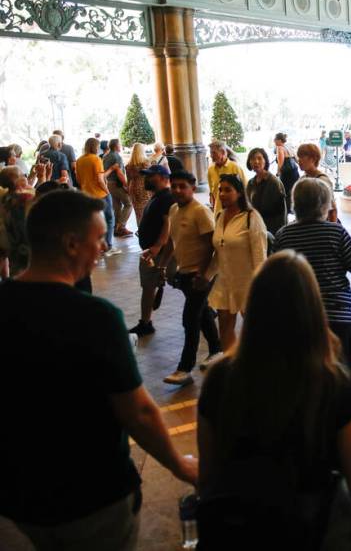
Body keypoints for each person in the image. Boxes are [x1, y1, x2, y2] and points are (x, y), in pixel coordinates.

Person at [0, 190, 197, 550]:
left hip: (20, 496)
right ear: (72, 244)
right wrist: (180, 466)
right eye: (99, 238)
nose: (105, 246)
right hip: (92, 494)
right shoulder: (96, 318)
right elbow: (138, 411)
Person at [195, 251, 351, 551]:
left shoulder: (219, 379)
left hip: (241, 531)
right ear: (312, 309)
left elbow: (208, 475)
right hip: (314, 531)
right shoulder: (334, 385)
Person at [276, 178, 351, 370]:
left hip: (297, 318)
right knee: (340, 381)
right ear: (323, 204)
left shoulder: (283, 235)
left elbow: (276, 280)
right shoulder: (336, 233)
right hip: (336, 319)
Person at [165, 170, 223, 387]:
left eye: (182, 186)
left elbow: (212, 244)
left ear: (192, 187)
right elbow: (172, 241)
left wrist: (203, 273)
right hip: (186, 273)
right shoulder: (173, 209)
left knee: (190, 318)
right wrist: (164, 265)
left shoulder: (200, 211)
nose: (177, 190)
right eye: (174, 186)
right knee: (203, 313)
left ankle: (184, 369)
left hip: (203, 275)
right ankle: (216, 350)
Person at [209, 174, 268, 351]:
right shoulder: (219, 216)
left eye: (228, 190)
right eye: (220, 190)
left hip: (248, 284)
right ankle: (230, 366)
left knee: (254, 333)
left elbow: (260, 256)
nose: (222, 194)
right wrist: (205, 276)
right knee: (225, 330)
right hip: (225, 283)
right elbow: (218, 253)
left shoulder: (251, 217)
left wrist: (261, 288)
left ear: (240, 193)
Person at [128, 164, 176, 339]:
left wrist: (158, 245)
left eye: (151, 176)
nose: (147, 179)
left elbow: (168, 224)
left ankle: (205, 311)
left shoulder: (167, 197)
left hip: (161, 253)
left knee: (180, 282)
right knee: (148, 287)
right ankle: (145, 323)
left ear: (164, 178)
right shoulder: (157, 196)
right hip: (152, 252)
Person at [76, 137, 116, 253]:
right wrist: (107, 191)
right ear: (95, 147)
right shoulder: (96, 159)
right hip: (100, 193)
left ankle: (92, 246)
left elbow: (78, 179)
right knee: (109, 218)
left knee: (91, 221)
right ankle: (108, 245)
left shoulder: (79, 160)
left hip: (86, 194)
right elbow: (100, 179)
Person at [245, 147, 287, 236]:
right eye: (252, 159)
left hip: (272, 231)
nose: (256, 161)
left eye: (259, 158)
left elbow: (281, 212)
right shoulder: (251, 183)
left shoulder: (274, 182)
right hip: (256, 229)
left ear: (265, 161)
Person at [296, 143, 337, 222]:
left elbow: (332, 210)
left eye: (302, 157)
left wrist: (332, 231)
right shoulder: (302, 179)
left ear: (313, 159)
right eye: (298, 157)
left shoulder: (322, 180)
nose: (299, 160)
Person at [103, 139, 133, 238]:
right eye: (120, 144)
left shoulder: (106, 156)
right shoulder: (117, 156)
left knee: (117, 206)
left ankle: (117, 227)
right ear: (116, 146)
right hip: (116, 184)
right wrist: (126, 185)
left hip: (109, 183)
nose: (121, 146)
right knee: (129, 203)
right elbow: (119, 173)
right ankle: (121, 226)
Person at [206, 141, 246, 213]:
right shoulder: (210, 170)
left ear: (223, 152)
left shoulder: (235, 167)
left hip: (235, 210)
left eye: (214, 153)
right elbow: (212, 192)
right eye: (211, 153)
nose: (211, 156)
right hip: (218, 211)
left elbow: (245, 188)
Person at [126, 142, 152, 224]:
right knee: (147, 210)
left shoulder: (128, 165)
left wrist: (128, 190)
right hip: (144, 187)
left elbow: (128, 180)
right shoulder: (145, 163)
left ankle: (140, 230)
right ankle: (146, 231)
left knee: (138, 212)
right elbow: (150, 176)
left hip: (133, 187)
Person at [274, 133, 300, 214]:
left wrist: (278, 171)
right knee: (294, 188)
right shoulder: (288, 146)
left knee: (284, 189)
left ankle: (287, 209)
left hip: (286, 171)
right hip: (294, 170)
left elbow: (281, 161)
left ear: (279, 140)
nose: (274, 141)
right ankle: (294, 207)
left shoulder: (279, 148)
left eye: (275, 139)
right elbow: (296, 158)